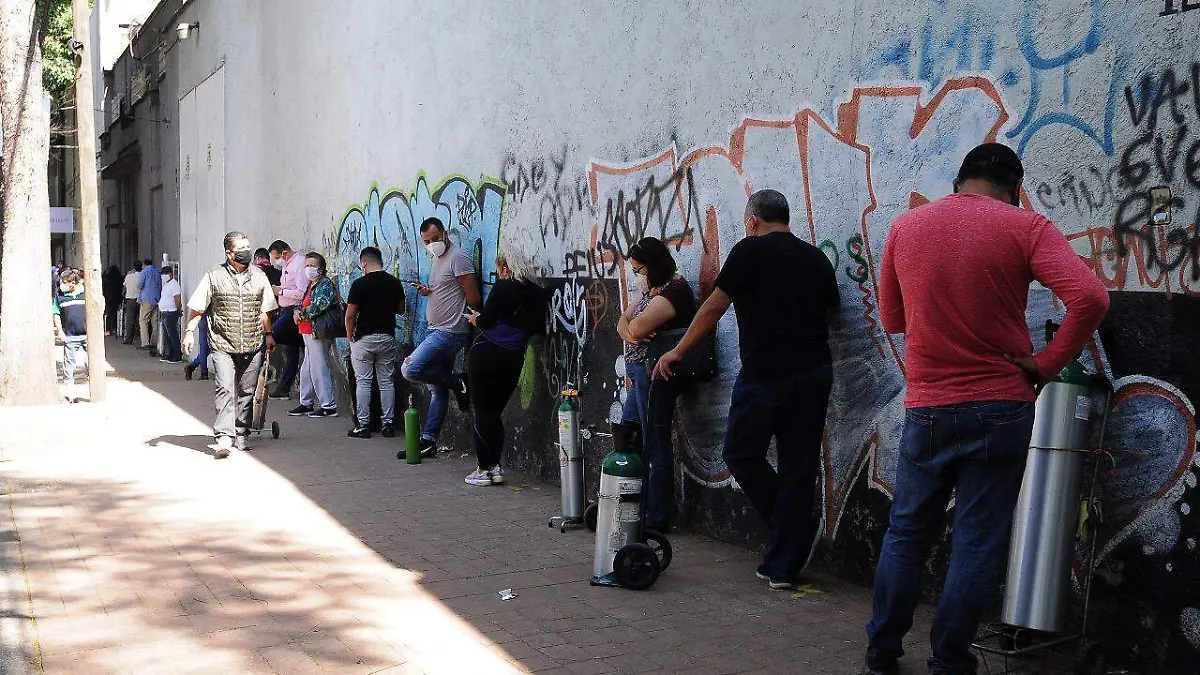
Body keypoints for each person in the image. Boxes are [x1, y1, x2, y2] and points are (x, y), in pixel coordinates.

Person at [860, 144, 1110, 675]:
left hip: (928, 404)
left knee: (906, 532)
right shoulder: (1026, 226)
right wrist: (1045, 364)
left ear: (960, 180)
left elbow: (893, 318)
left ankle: (882, 652)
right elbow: (1090, 297)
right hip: (1002, 406)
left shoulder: (907, 228)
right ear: (1013, 186)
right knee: (976, 541)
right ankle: (949, 661)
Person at [653, 189, 839, 590]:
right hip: (814, 373)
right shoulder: (816, 258)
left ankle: (791, 536)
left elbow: (713, 307)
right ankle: (784, 560)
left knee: (740, 452)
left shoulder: (749, 251)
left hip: (766, 374)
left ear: (753, 220)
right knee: (798, 465)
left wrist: (677, 352)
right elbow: (829, 310)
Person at [616, 237, 696, 528]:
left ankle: (657, 514)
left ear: (652, 266)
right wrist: (630, 333)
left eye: (638, 269)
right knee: (631, 437)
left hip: (654, 374)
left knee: (654, 442)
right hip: (640, 372)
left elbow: (635, 325)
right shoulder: (654, 289)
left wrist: (632, 330)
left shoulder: (673, 290)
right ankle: (634, 501)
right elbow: (623, 322)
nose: (636, 275)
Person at [183, 231, 278, 458]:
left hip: (253, 343)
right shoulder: (213, 276)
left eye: (248, 246)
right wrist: (189, 332)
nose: (247, 251)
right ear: (229, 253)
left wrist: (269, 334)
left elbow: (265, 310)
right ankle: (224, 436)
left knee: (247, 390)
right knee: (225, 387)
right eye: (241, 248)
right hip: (222, 343)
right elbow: (198, 308)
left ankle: (241, 431)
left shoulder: (259, 277)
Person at [462, 251, 546, 485]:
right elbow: (537, 327)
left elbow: (486, 321)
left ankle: (483, 469)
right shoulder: (538, 294)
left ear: (506, 268)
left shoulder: (502, 288)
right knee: (495, 412)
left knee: (482, 411)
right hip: (513, 357)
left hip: (486, 352)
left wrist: (475, 319)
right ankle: (496, 467)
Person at [400, 217, 481, 458]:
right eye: (427, 241)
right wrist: (428, 292)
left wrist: (476, 316)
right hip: (435, 329)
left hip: (449, 332)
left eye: (435, 239)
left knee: (409, 369)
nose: (432, 244)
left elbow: (473, 296)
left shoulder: (458, 257)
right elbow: (447, 289)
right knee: (438, 390)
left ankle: (457, 381)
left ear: (445, 233)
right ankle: (429, 441)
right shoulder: (437, 259)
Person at [345, 246, 405, 439]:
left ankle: (363, 426)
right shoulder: (395, 283)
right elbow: (401, 310)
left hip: (364, 339)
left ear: (364, 263)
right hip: (387, 337)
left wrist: (350, 338)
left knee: (364, 382)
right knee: (386, 382)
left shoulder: (359, 284)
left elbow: (350, 315)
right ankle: (387, 424)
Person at [287, 252, 340, 418]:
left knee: (319, 367)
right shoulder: (312, 285)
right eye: (307, 265)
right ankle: (306, 402)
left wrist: (300, 313)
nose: (309, 268)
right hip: (307, 331)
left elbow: (318, 306)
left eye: (312, 265)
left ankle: (328, 405)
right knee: (307, 368)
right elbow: (303, 305)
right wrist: (297, 312)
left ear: (321, 268)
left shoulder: (324, 285)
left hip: (317, 331)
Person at [267, 240, 308, 399]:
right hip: (285, 310)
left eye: (277, 257)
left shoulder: (298, 264)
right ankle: (284, 388)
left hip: (294, 311)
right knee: (291, 352)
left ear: (284, 253)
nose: (277, 261)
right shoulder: (287, 265)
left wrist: (281, 291)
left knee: (272, 335)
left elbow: (301, 293)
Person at [53, 269, 89, 387]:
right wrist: (60, 331)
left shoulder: (86, 293)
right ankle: (70, 390)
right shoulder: (60, 296)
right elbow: (56, 313)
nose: (62, 285)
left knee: (91, 362)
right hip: (70, 336)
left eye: (64, 282)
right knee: (69, 364)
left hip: (88, 336)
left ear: (73, 283)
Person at [158, 266, 184, 364]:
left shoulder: (174, 285)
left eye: (165, 274)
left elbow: (177, 298)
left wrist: (178, 309)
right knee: (167, 335)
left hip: (171, 312)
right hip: (165, 312)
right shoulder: (166, 284)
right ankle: (170, 354)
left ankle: (177, 356)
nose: (163, 276)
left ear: (170, 274)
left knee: (172, 335)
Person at [137, 257, 163, 355]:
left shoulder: (144, 272)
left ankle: (145, 343)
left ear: (144, 264)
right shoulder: (158, 272)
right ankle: (154, 342)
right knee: (155, 321)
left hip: (146, 299)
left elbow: (139, 285)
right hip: (157, 299)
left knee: (143, 320)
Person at [184, 315, 211, 381]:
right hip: (209, 319)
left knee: (205, 349)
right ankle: (203, 372)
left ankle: (192, 367)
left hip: (204, 318)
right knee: (205, 349)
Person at [122, 261, 143, 344]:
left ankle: (128, 339)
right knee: (143, 321)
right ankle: (144, 339)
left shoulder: (128, 276)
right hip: (141, 300)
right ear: (141, 266)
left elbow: (124, 288)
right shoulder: (143, 276)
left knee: (130, 320)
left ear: (134, 267)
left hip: (130, 300)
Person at [102, 265, 123, 336]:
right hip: (117, 298)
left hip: (108, 298)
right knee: (116, 314)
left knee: (109, 314)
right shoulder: (119, 278)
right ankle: (115, 328)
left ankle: (108, 329)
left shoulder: (107, 278)